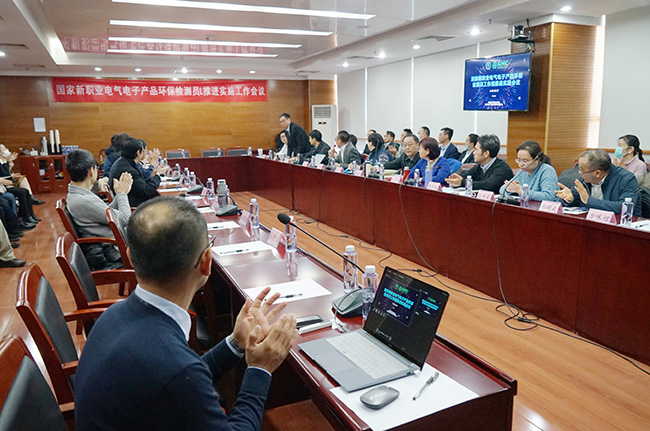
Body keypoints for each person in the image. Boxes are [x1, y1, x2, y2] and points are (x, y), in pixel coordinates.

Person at [75, 196, 297, 430]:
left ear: (130, 257)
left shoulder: (113, 315)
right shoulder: (174, 367)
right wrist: (260, 369)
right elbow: (180, 374)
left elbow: (185, 375)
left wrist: (236, 342)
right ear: (206, 262)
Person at [66, 149, 133, 270]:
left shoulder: (78, 194)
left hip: (114, 243)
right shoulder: (82, 200)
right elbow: (124, 219)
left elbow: (107, 211)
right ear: (91, 171)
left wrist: (119, 194)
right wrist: (122, 194)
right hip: (115, 250)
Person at [556, 148, 640, 215]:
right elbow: (576, 196)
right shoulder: (586, 178)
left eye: (582, 170)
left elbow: (624, 208)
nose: (579, 172)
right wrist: (570, 199)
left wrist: (589, 201)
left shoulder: (626, 179)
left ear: (597, 173)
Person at [109, 137, 168, 207]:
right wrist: (158, 175)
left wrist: (153, 176)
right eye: (144, 151)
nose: (145, 153)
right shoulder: (129, 170)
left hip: (127, 201)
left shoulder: (123, 162)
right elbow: (146, 191)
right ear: (138, 153)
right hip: (133, 206)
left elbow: (140, 181)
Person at [446, 134, 513, 193]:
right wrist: (456, 180)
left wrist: (462, 182)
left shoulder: (502, 169)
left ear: (486, 153)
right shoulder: (479, 166)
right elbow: (466, 177)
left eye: (476, 150)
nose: (473, 153)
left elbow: (488, 185)